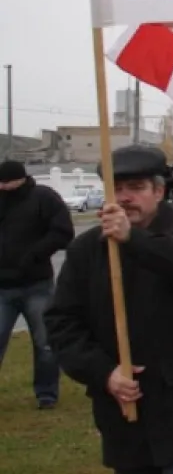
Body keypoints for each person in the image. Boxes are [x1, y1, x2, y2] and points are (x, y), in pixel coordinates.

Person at [46, 145, 173, 473]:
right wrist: (103, 372)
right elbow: (62, 322)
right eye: (117, 189)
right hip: (125, 411)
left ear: (159, 191)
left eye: (136, 188)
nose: (124, 198)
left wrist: (133, 240)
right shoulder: (87, 249)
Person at [0, 159, 74, 409]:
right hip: (2, 287)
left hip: (37, 285)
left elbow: (63, 232)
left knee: (45, 343)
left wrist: (34, 254)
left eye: (8, 183)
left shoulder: (43, 198)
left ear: (22, 179)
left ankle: (46, 394)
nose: (4, 188)